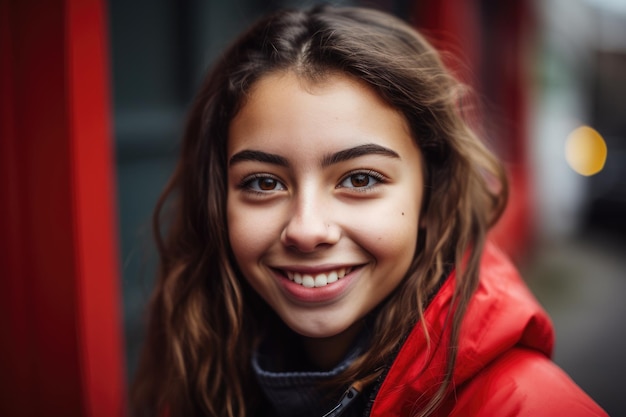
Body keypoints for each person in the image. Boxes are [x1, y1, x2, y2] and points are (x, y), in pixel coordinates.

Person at [131, 5, 607, 417]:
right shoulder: (202, 381)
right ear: (220, 203)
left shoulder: (535, 407)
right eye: (264, 183)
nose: (307, 229)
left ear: (430, 195)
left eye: (360, 179)